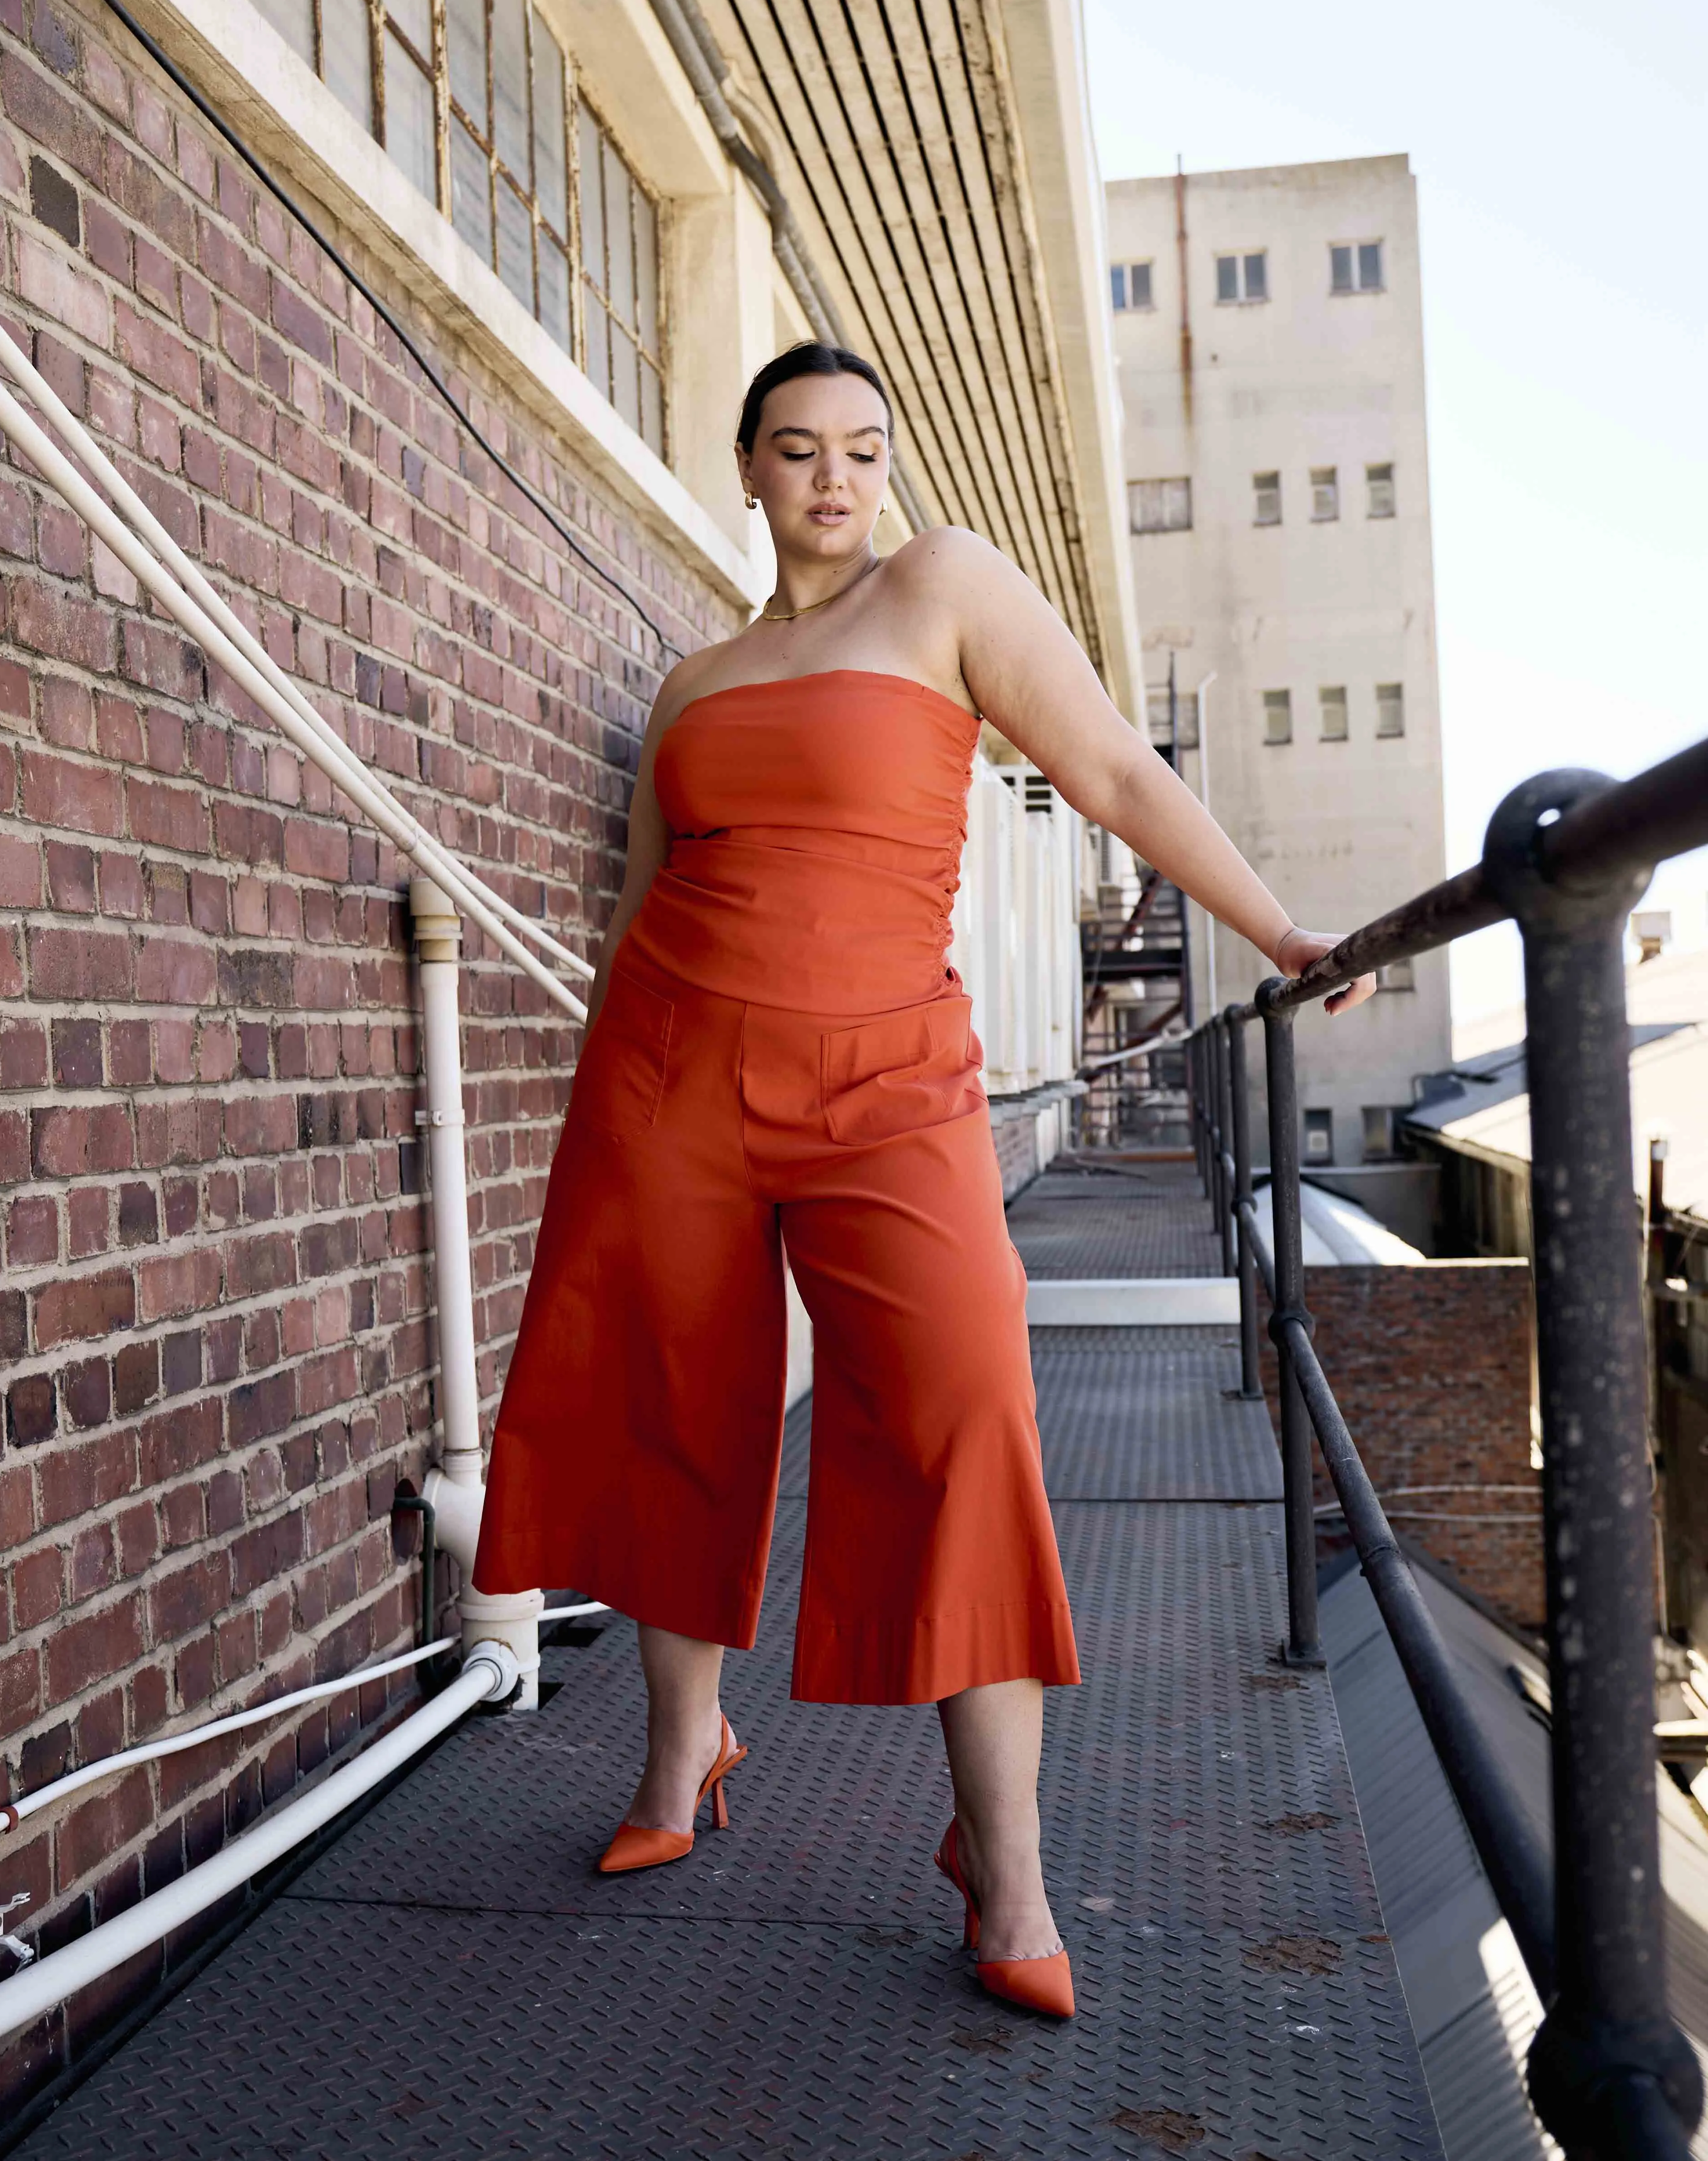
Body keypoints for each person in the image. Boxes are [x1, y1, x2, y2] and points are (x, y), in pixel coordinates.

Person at [472, 342, 1373, 2021]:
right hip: (670, 1077)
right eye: (798, 449)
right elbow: (637, 909)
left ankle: (1003, 1858)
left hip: (891, 1079)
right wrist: (605, 1097)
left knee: (965, 1408)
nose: (835, 476)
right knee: (676, 1400)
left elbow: (1108, 771)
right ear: (745, 468)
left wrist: (1280, 931)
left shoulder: (945, 587)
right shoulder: (694, 683)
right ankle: (683, 1761)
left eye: (863, 449)